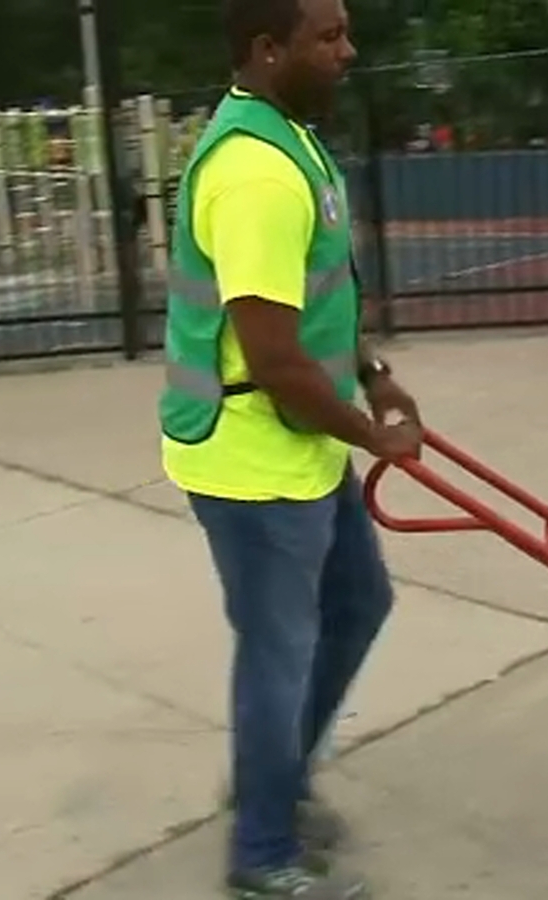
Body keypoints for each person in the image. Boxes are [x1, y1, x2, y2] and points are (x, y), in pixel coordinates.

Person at [157, 0, 422, 895]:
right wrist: (373, 432)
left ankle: (274, 779)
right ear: (269, 51)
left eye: (346, 31)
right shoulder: (257, 175)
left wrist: (373, 372)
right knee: (280, 649)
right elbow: (275, 359)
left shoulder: (289, 140)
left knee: (358, 603)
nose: (350, 51)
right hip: (251, 456)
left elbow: (316, 303)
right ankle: (263, 855)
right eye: (329, 37)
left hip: (298, 445)